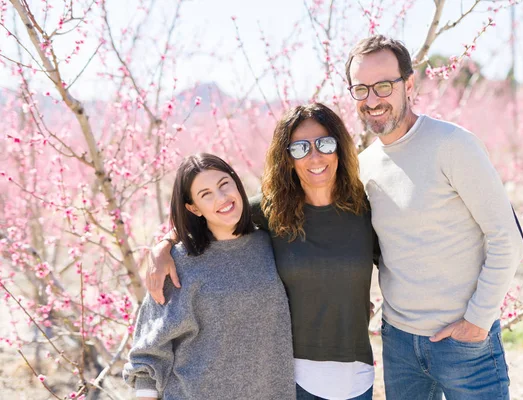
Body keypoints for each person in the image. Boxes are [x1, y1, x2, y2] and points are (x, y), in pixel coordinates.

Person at [148, 104, 379, 400]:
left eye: (325, 143)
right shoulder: (272, 211)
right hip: (289, 378)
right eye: (299, 148)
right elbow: (216, 216)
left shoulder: (365, 211)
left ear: (339, 147)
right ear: (287, 158)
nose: (315, 156)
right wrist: (163, 246)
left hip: (357, 375)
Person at [345, 35, 523, 400]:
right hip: (398, 344)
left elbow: (507, 237)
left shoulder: (452, 145)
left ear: (409, 85)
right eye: (361, 89)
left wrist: (477, 321)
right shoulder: (364, 166)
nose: (372, 100)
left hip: (465, 346)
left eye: (383, 86)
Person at [123, 153, 295, 400]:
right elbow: (148, 353)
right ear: (194, 208)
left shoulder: (270, 244)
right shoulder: (178, 263)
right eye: (206, 194)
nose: (222, 198)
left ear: (236, 182)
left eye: (224, 184)